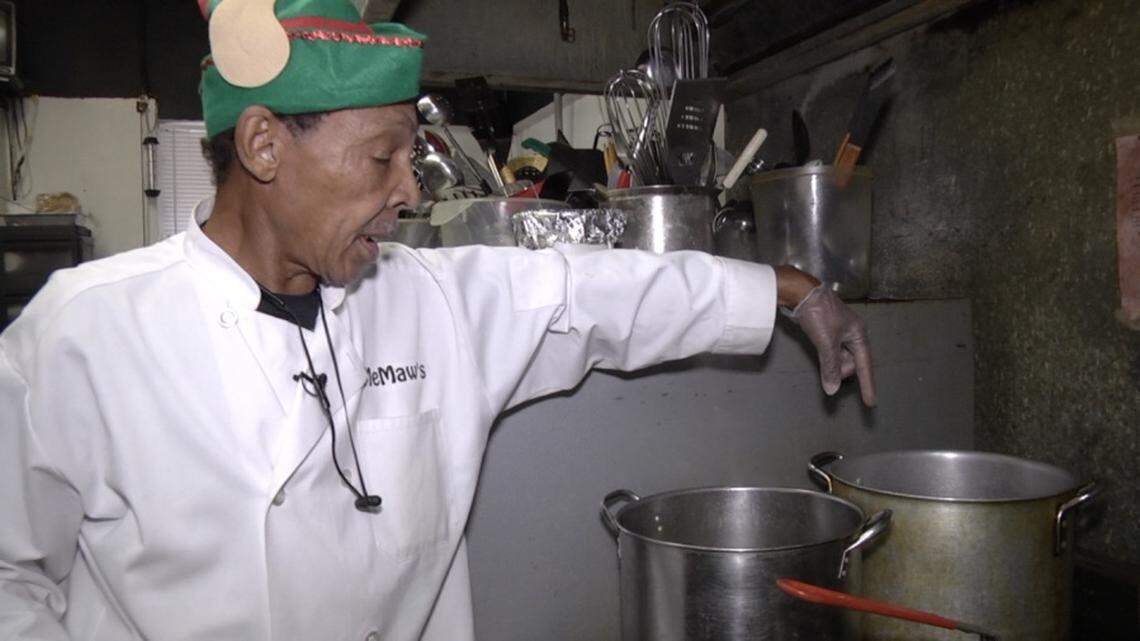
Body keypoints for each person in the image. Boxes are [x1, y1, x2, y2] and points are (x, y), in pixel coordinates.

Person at [0, 1, 874, 639]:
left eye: (408, 159)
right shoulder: (82, 335)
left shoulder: (428, 301)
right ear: (265, 146)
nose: (409, 191)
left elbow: (595, 294)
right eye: (381, 159)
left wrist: (787, 290)